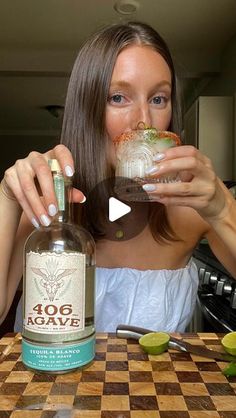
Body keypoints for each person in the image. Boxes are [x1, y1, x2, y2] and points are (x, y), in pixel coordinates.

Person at [0, 21, 236, 334]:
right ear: (88, 111)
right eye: (118, 98)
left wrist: (222, 210)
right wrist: (7, 197)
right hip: (50, 381)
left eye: (157, 99)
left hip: (155, 385)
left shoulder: (191, 206)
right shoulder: (48, 203)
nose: (143, 121)